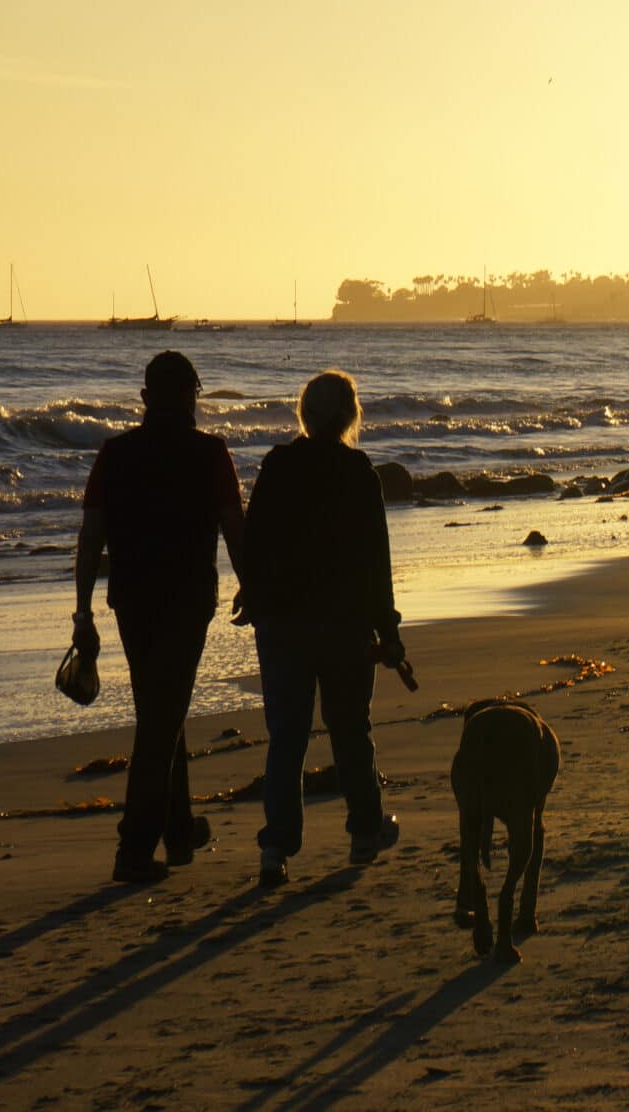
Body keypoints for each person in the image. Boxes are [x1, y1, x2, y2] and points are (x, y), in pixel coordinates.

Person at [73, 350, 246, 884]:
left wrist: (82, 609)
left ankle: (180, 832)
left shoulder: (115, 454)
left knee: (161, 710)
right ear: (189, 397)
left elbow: (91, 536)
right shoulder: (210, 454)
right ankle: (133, 850)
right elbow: (233, 526)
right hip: (189, 599)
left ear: (146, 398)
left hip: (132, 600)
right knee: (160, 718)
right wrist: (254, 585)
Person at [237, 369, 407, 887]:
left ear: (305, 414)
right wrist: (389, 630)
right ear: (348, 415)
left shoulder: (278, 464)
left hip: (283, 620)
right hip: (345, 620)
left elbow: (255, 539)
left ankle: (277, 849)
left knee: (285, 736)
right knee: (350, 727)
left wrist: (253, 595)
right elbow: (377, 559)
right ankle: (364, 830)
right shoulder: (358, 472)